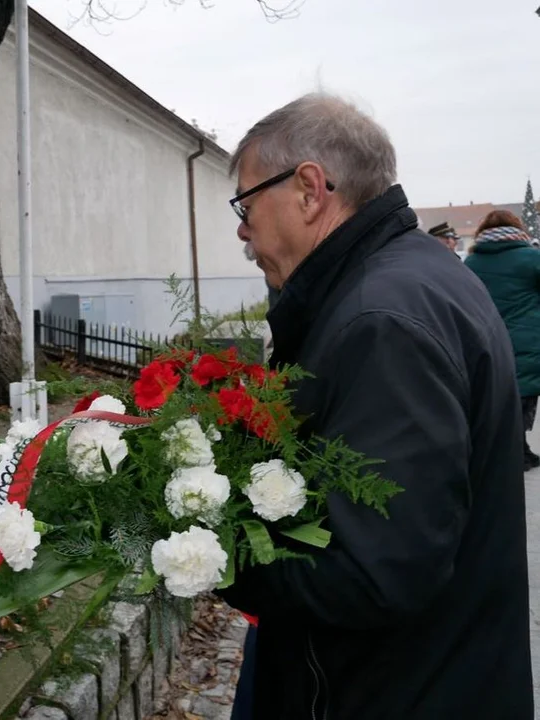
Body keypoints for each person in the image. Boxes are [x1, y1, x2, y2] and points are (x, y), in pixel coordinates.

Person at [220, 93, 532, 719]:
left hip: (390, 692)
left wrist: (213, 547)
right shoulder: (403, 278)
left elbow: (373, 572)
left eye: (247, 202)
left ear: (309, 189)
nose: (242, 229)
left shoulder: (382, 321)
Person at [464, 210, 540, 471]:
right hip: (527, 339)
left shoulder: (472, 262)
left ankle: (518, 448)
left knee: (498, 393)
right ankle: (515, 451)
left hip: (486, 336)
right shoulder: (532, 258)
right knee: (524, 394)